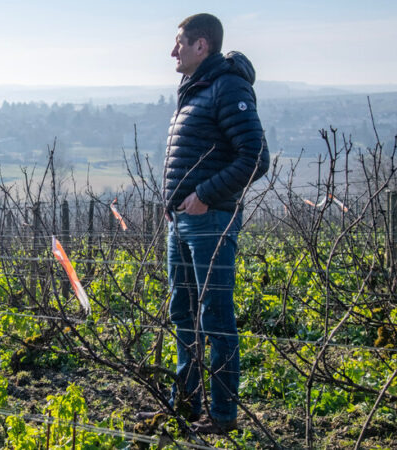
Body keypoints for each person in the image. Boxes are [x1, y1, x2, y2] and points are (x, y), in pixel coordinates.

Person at [162, 13, 269, 434]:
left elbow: (255, 158)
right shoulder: (195, 90)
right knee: (183, 314)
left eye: (180, 43)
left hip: (212, 221)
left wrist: (204, 196)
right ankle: (184, 405)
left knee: (215, 318)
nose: (173, 51)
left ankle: (222, 416)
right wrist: (172, 202)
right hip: (183, 222)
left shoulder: (227, 87)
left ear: (201, 45)